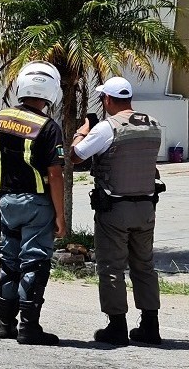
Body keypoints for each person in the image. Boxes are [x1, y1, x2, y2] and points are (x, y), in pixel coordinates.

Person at [70, 77, 164, 346]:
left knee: (111, 266)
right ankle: (150, 325)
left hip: (115, 208)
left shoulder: (106, 127)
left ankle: (117, 327)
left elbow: (77, 155)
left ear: (108, 100)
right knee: (144, 266)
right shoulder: (153, 124)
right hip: (146, 207)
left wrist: (82, 131)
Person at [0, 60, 67, 346]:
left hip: (6, 201)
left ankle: (5, 324)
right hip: (36, 204)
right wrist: (60, 215)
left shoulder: (0, 118)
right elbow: (55, 174)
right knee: (34, 262)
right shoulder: (48, 127)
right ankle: (29, 328)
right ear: (51, 92)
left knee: (9, 261)